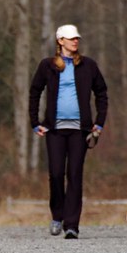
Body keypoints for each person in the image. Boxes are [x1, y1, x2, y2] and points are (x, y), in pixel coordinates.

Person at [29, 24, 108, 239]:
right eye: (71, 38)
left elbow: (101, 93)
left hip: (80, 131)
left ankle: (71, 225)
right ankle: (57, 216)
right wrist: (35, 122)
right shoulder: (47, 66)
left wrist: (99, 123)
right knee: (55, 174)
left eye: (77, 38)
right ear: (60, 41)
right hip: (54, 130)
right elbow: (35, 91)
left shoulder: (88, 65)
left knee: (75, 175)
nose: (75, 41)